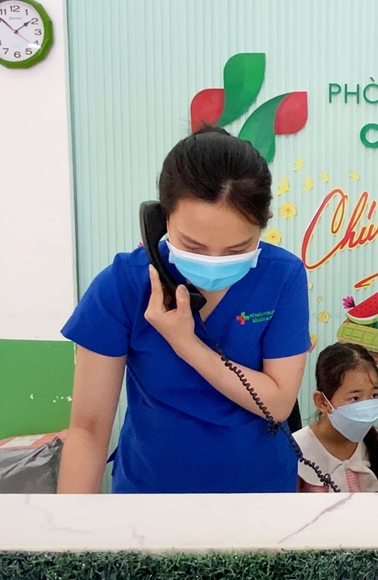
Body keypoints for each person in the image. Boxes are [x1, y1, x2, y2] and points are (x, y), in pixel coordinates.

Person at [57, 126, 311, 494]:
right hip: (150, 496)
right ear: (160, 220)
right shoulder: (124, 284)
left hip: (261, 495)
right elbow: (88, 429)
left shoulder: (282, 277)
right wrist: (73, 525)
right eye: (193, 246)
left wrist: (187, 344)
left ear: (265, 221)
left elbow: (278, 402)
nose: (214, 263)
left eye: (237, 249)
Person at [294, 343, 378, 493]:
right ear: (322, 402)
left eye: (374, 395)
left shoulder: (375, 443)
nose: (366, 407)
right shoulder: (297, 449)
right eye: (355, 398)